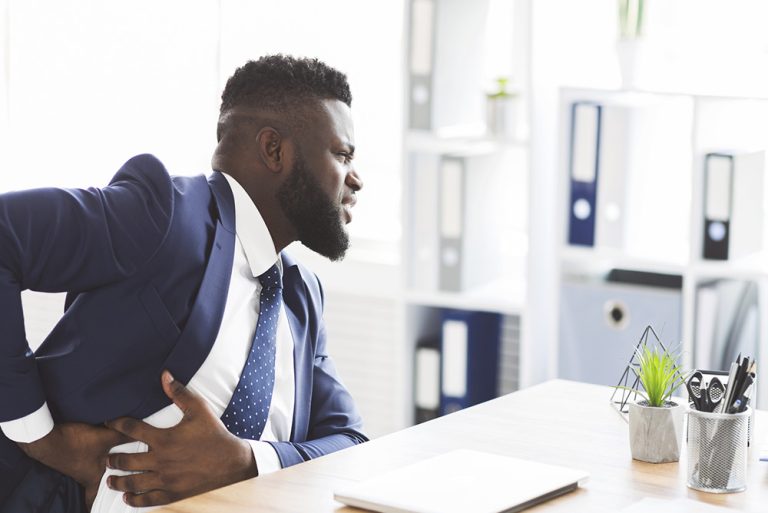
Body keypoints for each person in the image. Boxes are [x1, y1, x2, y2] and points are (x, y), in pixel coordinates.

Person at [0, 54, 368, 513]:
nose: (356, 179)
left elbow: (352, 443)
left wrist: (245, 461)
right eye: (342, 154)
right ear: (274, 150)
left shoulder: (300, 293)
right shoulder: (163, 216)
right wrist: (44, 440)